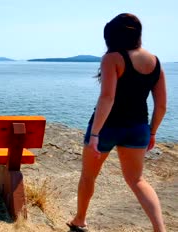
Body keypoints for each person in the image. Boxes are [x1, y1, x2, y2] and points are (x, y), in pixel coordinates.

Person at [67, 13, 168, 232]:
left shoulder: (113, 58)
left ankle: (80, 220)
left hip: (107, 127)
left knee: (88, 176)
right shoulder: (156, 62)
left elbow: (107, 98)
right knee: (137, 180)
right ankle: (160, 229)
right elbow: (161, 106)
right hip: (138, 127)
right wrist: (152, 132)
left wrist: (94, 134)